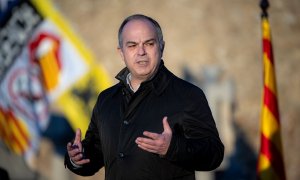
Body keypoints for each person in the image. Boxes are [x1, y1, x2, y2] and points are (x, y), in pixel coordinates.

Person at [65, 14, 224, 180]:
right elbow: (95, 154)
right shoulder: (106, 100)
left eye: (149, 43)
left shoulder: (188, 95)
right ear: (121, 52)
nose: (141, 52)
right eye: (132, 45)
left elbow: (214, 154)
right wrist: (78, 158)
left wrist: (172, 148)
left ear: (161, 47)